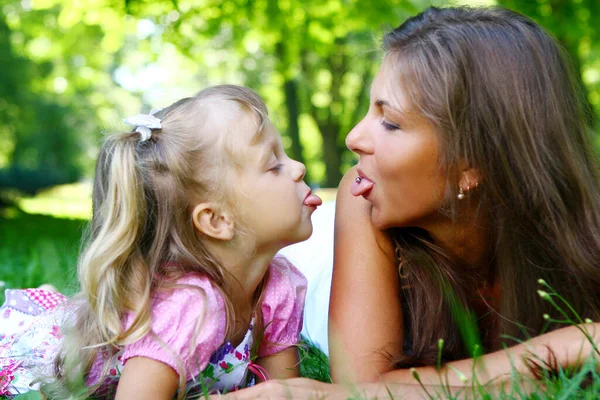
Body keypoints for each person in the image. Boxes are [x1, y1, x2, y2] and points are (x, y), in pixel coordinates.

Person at [223, 6, 600, 399]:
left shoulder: (579, 234)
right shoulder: (363, 195)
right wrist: (555, 350)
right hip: (319, 265)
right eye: (370, 110)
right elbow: (361, 387)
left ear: (472, 165)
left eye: (390, 123)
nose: (354, 138)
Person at [0, 85, 323, 399]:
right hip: (41, 361)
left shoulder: (281, 285)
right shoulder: (187, 305)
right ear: (218, 221)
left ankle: (53, 304)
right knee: (43, 335)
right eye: (274, 165)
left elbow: (282, 392)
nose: (299, 167)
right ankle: (44, 315)